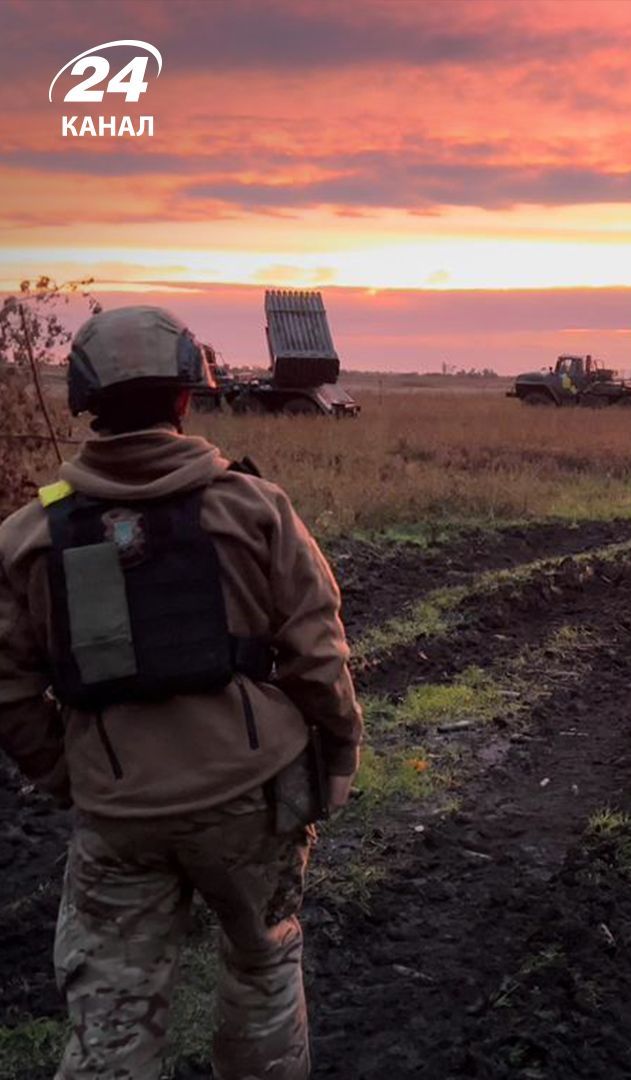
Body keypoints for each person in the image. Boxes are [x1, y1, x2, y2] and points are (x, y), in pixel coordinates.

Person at [0, 306, 361, 1079]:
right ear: (186, 398)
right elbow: (318, 658)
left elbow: (8, 689)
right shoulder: (255, 509)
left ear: (86, 405)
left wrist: (69, 775)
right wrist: (336, 760)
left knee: (111, 1014)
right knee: (263, 969)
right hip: (252, 800)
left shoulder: (30, 535)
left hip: (117, 815)